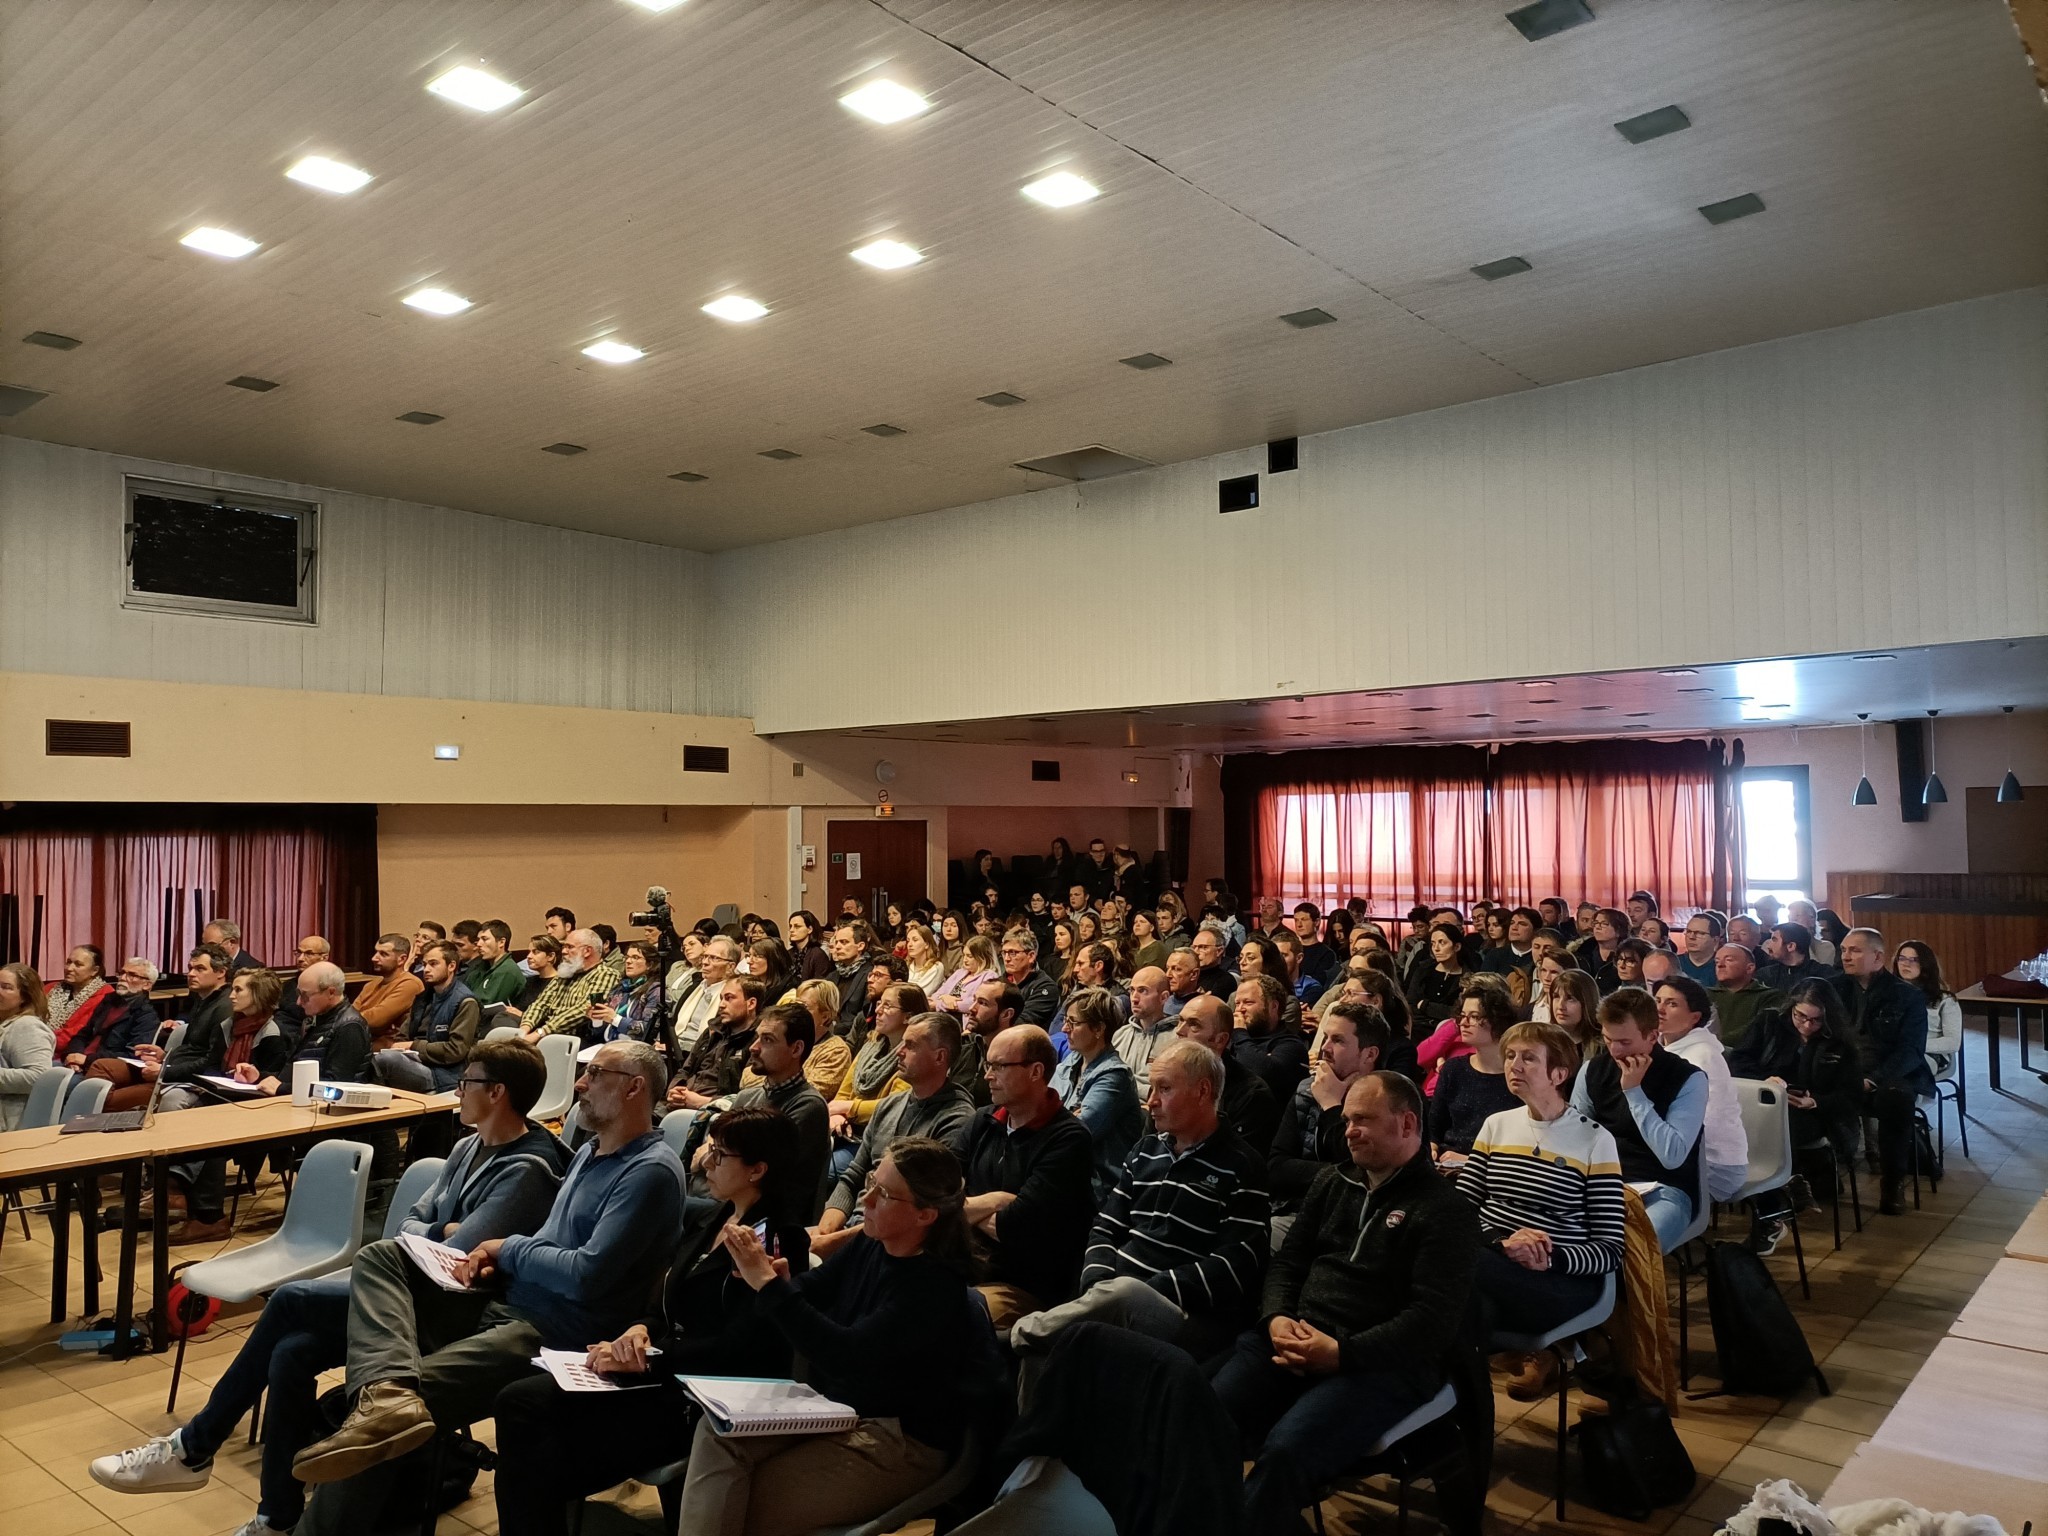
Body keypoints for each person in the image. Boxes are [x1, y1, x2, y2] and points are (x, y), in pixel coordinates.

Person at [92, 1039, 568, 1534]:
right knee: (291, 1353)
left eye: (466, 1081)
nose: (458, 1091)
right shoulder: (469, 1144)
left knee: (293, 1299)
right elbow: (409, 1226)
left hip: (455, 1311)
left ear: (496, 1092)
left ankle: (193, 1448)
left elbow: (454, 1256)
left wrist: (440, 1232)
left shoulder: (529, 1168)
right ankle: (276, 1518)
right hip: (402, 1292)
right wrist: (440, 1230)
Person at [289, 1040, 685, 1497]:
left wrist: (507, 1247)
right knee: (381, 1257)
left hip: (558, 1332)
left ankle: (379, 1411)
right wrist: (498, 1259)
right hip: (509, 1302)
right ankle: (385, 1393)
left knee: (381, 1416)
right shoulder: (589, 1154)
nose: (580, 1083)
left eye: (596, 1074)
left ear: (635, 1088)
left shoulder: (649, 1171)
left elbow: (586, 1274)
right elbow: (548, 1244)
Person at [489, 1105, 812, 1536]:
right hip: (663, 1369)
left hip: (702, 1397)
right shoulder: (715, 1215)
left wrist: (648, 1362)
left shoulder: (777, 1239)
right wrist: (640, 1328)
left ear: (757, 1170)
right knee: (519, 1403)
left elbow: (742, 1346)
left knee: (534, 1455)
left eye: (720, 1155)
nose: (706, 1161)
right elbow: (668, 1296)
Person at [671, 1138, 997, 1536]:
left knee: (734, 1500)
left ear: (925, 1215)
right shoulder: (870, 1243)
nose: (868, 1200)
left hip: (899, 1438)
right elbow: (809, 1291)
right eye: (872, 1183)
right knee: (716, 1433)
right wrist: (775, 1281)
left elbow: (844, 1355)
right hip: (837, 1410)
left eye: (884, 1193)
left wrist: (772, 1289)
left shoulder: (933, 1287)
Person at [1213, 1071, 1481, 1535]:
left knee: (1284, 1453)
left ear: (1407, 1124)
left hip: (1378, 1365)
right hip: (1293, 1338)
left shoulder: (1446, 1210)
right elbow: (1286, 1265)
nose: (1348, 1130)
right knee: (1202, 1416)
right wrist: (1276, 1318)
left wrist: (1342, 1354)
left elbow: (1430, 1322)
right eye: (1348, 1119)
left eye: (1363, 1120)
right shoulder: (1333, 1183)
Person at [1009, 1039, 1269, 1372]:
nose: (1152, 1101)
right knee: (1046, 1352)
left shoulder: (1243, 1165)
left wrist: (1140, 1290)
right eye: (1152, 1088)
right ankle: (1034, 1423)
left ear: (1203, 1092)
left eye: (1165, 1089)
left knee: (1116, 1301)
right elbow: (1106, 1224)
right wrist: (1098, 1283)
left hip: (1187, 1314)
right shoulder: (1146, 1150)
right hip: (1115, 1293)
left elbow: (1236, 1263)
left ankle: (1020, 1331)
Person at [1458, 1021, 1626, 1400]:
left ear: (1559, 1074)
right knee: (1467, 1307)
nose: (1514, 1065)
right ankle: (1464, 1419)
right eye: (1511, 1056)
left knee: (1450, 1273)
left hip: (1559, 1281)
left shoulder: (1594, 1140)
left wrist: (1548, 1259)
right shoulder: (1496, 1126)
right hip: (1492, 1266)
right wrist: (1502, 1244)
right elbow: (1460, 1211)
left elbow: (1611, 1250)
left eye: (1528, 1058)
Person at [948, 1024, 1098, 1328]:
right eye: (988, 1065)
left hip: (1024, 1284)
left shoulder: (1068, 1139)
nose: (988, 1075)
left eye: (999, 1066)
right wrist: (996, 1201)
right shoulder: (984, 1119)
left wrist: (955, 1210)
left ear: (1036, 1071)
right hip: (965, 1261)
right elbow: (935, 1188)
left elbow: (1014, 1227)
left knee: (952, 1316)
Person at [814, 1014, 976, 1250]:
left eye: (910, 1045)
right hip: (854, 1232)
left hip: (894, 1245)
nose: (898, 1051)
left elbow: (912, 1212)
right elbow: (853, 1176)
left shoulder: (956, 1120)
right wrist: (825, 1231)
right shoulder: (890, 1105)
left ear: (940, 1056)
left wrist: (833, 1243)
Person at [1727, 980, 1864, 1254]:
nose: (1806, 1025)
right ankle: (1785, 1193)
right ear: (1791, 1008)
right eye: (1800, 1016)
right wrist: (1765, 1081)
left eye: (1815, 1020)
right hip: (1767, 1104)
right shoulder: (1770, 1022)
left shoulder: (1840, 1043)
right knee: (1748, 1130)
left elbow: (1851, 1097)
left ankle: (1773, 1211)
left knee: (1771, 1134)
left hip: (1816, 1115)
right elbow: (1738, 1061)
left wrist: (1814, 1101)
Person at [1570, 988, 1706, 1250]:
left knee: (1630, 1249)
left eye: (1625, 1042)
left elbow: (1672, 1156)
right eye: (1608, 1039)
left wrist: (1634, 1093)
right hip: (1602, 1184)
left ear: (1652, 1036)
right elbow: (1576, 1138)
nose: (1614, 1051)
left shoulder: (1689, 1079)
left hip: (1664, 1190)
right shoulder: (1593, 1070)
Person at [1831, 928, 1933, 1213]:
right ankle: (1817, 1171)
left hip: (1887, 1074)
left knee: (1895, 1098)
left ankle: (1893, 1182)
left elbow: (1910, 1051)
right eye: (1843, 950)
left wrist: (1872, 1079)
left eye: (1855, 950)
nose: (1846, 956)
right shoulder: (1832, 989)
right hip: (1841, 1071)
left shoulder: (1906, 996)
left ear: (1878, 957)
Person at [697, 1003, 830, 1217]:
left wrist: (709, 1154)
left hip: (761, 1219)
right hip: (724, 1203)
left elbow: (764, 1182)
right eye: (757, 1037)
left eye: (767, 1040)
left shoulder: (809, 1106)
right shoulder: (747, 1096)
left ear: (796, 1049)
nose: (753, 1047)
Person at [1268, 1001, 1386, 1211]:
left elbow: (1364, 1173)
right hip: (1299, 1208)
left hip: (1358, 1215)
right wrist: (1338, 1174)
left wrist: (1331, 1104)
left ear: (1370, 1054)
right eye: (1326, 1037)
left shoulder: (1389, 1101)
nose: (1324, 1048)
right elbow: (1277, 1167)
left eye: (1338, 1040)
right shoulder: (1307, 1089)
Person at [1650, 980, 1748, 1208]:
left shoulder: (1702, 1057)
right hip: (1677, 1153)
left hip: (1714, 1164)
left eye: (1671, 1004)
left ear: (1695, 1017)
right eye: (1657, 1001)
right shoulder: (1661, 1047)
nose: (1660, 1009)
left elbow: (1704, 1126)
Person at [1049, 986, 1143, 1201]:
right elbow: (1043, 1109)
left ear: (1099, 1029)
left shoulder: (1115, 1075)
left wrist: (1061, 1117)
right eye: (1066, 1020)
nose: (1064, 1028)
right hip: (1064, 1168)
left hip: (1097, 1185)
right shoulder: (1071, 1061)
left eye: (1073, 1023)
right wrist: (1067, 1114)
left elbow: (1076, 1132)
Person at [1175, 992, 1282, 1162]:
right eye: (1180, 1020)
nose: (1179, 1031)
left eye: (1194, 1025)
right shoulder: (1167, 1080)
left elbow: (1242, 1166)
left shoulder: (1252, 1095)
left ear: (1220, 1040)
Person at [1427, 981, 1521, 1164]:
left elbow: (1518, 1145)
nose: (1463, 1022)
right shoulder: (1453, 1069)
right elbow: (1434, 1128)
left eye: (1474, 1016)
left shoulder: (1517, 1074)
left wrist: (1471, 1160)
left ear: (1497, 1020)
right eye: (1462, 1016)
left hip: (1495, 1168)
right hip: (1447, 1161)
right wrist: (1432, 1148)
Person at [373, 939, 478, 1093]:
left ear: (451, 966)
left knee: (386, 1060)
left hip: (444, 1074)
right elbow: (403, 1036)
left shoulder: (466, 1001)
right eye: (424, 964)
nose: (426, 969)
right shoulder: (424, 997)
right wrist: (403, 1047)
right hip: (415, 1061)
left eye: (433, 964)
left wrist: (413, 1046)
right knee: (371, 1059)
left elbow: (456, 1050)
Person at [825, 981, 915, 1152]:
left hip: (876, 1138)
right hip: (844, 1126)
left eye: (887, 1006)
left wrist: (849, 1108)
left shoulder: (911, 1057)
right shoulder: (870, 1045)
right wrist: (836, 1114)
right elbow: (844, 1092)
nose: (877, 1010)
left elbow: (895, 1104)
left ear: (908, 1016)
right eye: (879, 1003)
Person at [518, 929, 626, 1044]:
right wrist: (524, 1030)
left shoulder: (605, 974)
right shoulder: (566, 973)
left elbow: (583, 1009)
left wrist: (540, 1032)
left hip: (575, 1039)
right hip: (547, 1033)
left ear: (587, 951)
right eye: (564, 947)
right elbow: (541, 1004)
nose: (563, 951)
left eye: (569, 947)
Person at [58, 954, 160, 1072]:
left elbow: (133, 1055)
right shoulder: (108, 1001)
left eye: (132, 975)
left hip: (102, 1069)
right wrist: (73, 1056)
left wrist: (86, 1060)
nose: (122, 978)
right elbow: (82, 1035)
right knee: (45, 1074)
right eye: (122, 973)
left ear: (147, 985)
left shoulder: (147, 1016)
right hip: (77, 1063)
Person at [1894, 939, 1962, 1090]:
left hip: (1929, 1054)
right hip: (1892, 1051)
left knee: (1903, 1075)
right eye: (1902, 958)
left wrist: (1913, 1046)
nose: (1906, 964)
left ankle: (1907, 1110)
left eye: (1914, 960)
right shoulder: (1887, 994)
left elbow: (1953, 1042)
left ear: (1925, 965)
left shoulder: (1945, 1000)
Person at [1232, 973, 1311, 1100]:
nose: (1240, 1009)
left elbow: (1262, 1073)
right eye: (1237, 1003)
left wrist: (1240, 1033)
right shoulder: (1232, 1038)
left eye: (1248, 1002)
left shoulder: (1292, 1045)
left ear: (1273, 1006)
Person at [0, 962, 55, 1132]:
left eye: (6, 987)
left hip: (9, 1125)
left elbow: (38, 1077)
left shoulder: (27, 1026)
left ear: (24, 996)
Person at [1112, 964, 1178, 1101]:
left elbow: (1170, 1089)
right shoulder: (1120, 1035)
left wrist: (1120, 1084)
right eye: (1131, 990)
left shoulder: (1177, 1039)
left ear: (1164, 997)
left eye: (1143, 991)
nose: (1134, 998)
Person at [352, 933, 426, 1048]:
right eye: (376, 952)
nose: (374, 958)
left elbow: (376, 1020)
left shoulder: (410, 984)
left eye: (383, 954)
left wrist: (356, 1020)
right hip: (362, 1042)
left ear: (401, 959)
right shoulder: (371, 985)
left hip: (386, 1050)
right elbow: (349, 1014)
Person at [1708, 942, 1783, 1051]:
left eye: (1729, 960)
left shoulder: (1770, 996)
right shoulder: (1706, 995)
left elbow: (1757, 1030)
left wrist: (1715, 1042)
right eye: (1717, 962)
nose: (1720, 965)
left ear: (1750, 968)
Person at [1405, 920, 1468, 1028]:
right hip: (1419, 1028)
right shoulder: (1423, 969)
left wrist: (1426, 1006)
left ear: (1457, 947)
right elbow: (1411, 1004)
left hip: (1451, 1030)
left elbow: (1459, 1013)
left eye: (1442, 942)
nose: (1436, 949)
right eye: (1433, 943)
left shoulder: (1467, 976)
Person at [997, 926, 1060, 1027]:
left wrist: (990, 1024)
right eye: (1004, 952)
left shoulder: (1045, 987)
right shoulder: (999, 983)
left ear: (1031, 956)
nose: (1007, 958)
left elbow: (1023, 1022)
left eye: (1013, 953)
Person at [930, 932, 999, 1019]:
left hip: (965, 1021)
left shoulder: (990, 976)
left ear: (982, 958)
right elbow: (937, 995)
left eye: (969, 956)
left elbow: (973, 1003)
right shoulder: (960, 972)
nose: (965, 960)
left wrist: (942, 1004)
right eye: (964, 955)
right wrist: (944, 997)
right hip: (943, 1017)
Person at [462, 920, 525, 1006]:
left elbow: (487, 1005)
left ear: (501, 942)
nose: (479, 944)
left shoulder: (507, 970)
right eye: (478, 939)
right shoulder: (480, 966)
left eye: (485, 939)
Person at [1760, 921, 1834, 988]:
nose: (1768, 946)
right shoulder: (1766, 974)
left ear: (1791, 946)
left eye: (1774, 940)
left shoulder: (1823, 974)